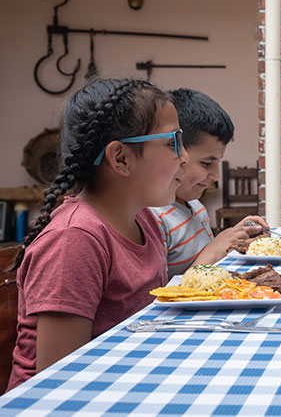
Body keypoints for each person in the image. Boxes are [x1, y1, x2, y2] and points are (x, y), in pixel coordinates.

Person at [8, 78, 188, 390]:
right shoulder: (74, 240)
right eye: (173, 142)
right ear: (120, 158)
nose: (184, 156)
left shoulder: (143, 218)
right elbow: (59, 382)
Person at [149, 89, 269, 278]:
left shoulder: (196, 207)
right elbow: (161, 297)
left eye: (218, 163)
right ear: (177, 153)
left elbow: (209, 268)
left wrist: (234, 236)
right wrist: (213, 251)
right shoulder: (153, 218)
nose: (215, 175)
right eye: (206, 163)